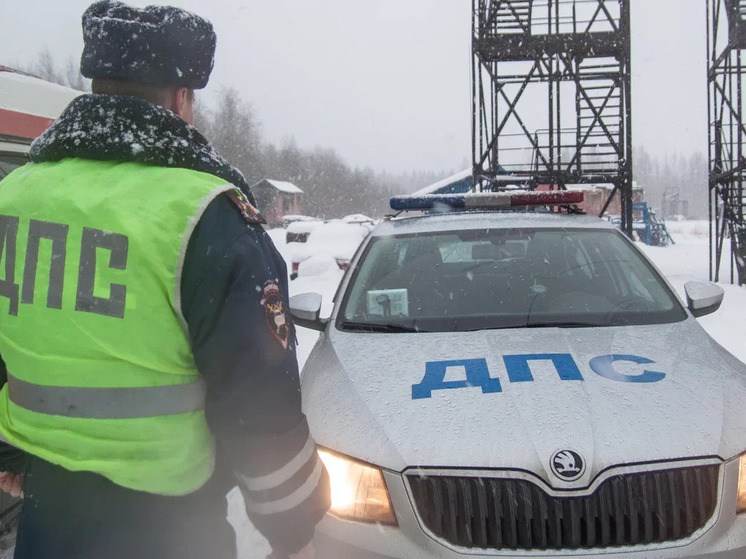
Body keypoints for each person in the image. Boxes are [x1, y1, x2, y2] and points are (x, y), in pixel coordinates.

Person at [0, 1, 330, 558]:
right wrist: (293, 524)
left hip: (46, 521)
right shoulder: (207, 217)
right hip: (169, 531)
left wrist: (10, 455)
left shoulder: (14, 196)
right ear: (181, 100)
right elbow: (259, 401)